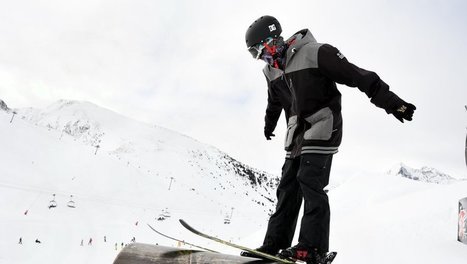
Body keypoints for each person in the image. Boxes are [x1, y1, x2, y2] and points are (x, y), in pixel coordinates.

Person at [244, 15, 415, 263]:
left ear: (274, 39)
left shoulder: (316, 52)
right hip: (297, 132)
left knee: (309, 181)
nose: (261, 57)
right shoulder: (271, 71)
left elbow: (358, 76)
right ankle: (274, 245)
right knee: (287, 188)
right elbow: (274, 101)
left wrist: (391, 103)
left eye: (261, 50)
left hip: (324, 124)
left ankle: (311, 247)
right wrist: (268, 125)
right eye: (255, 54)